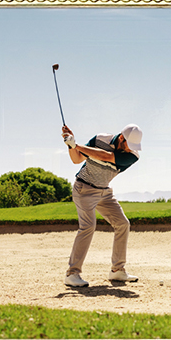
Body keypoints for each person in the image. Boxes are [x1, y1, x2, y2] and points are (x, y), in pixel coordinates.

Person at [62, 123, 142, 287]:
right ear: (121, 138)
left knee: (122, 224)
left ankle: (117, 271)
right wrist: (71, 146)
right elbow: (76, 159)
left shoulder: (132, 156)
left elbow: (106, 157)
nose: (130, 149)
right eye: (129, 145)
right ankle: (72, 274)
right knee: (88, 226)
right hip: (84, 188)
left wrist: (76, 145)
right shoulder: (99, 139)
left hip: (104, 192)